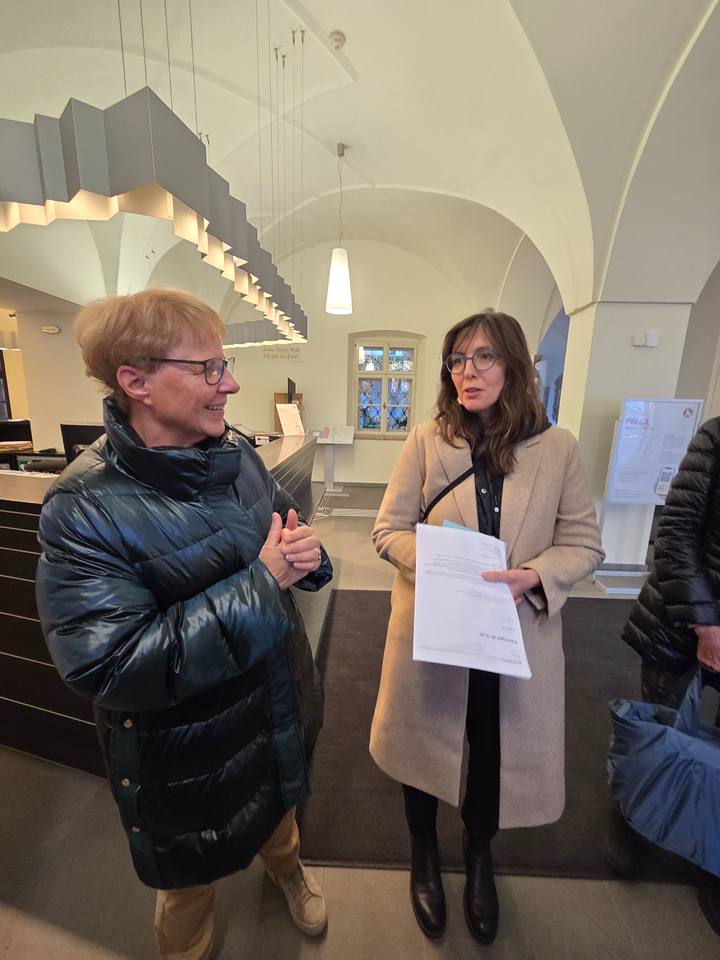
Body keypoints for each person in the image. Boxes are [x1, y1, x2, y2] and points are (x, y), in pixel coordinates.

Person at [35, 289, 332, 960]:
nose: (230, 384)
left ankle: (289, 873)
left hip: (274, 704)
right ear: (135, 381)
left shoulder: (236, 453)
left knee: (281, 820)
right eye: (207, 368)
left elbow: (285, 533)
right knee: (189, 884)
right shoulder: (82, 507)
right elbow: (109, 665)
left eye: (225, 364)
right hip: (186, 752)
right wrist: (264, 584)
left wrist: (307, 558)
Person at [370, 311, 604, 944]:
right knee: (422, 742)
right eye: (456, 360)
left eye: (483, 358)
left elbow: (584, 544)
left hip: (513, 632)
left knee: (493, 749)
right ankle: (423, 854)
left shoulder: (558, 448)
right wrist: (442, 564)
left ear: (514, 366)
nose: (466, 372)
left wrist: (533, 575)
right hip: (434, 626)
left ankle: (479, 857)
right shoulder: (428, 440)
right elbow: (387, 530)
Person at [618, 416, 720, 936]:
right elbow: (675, 533)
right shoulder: (716, 438)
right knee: (660, 731)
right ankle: (635, 827)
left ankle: (710, 854)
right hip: (682, 621)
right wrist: (707, 625)